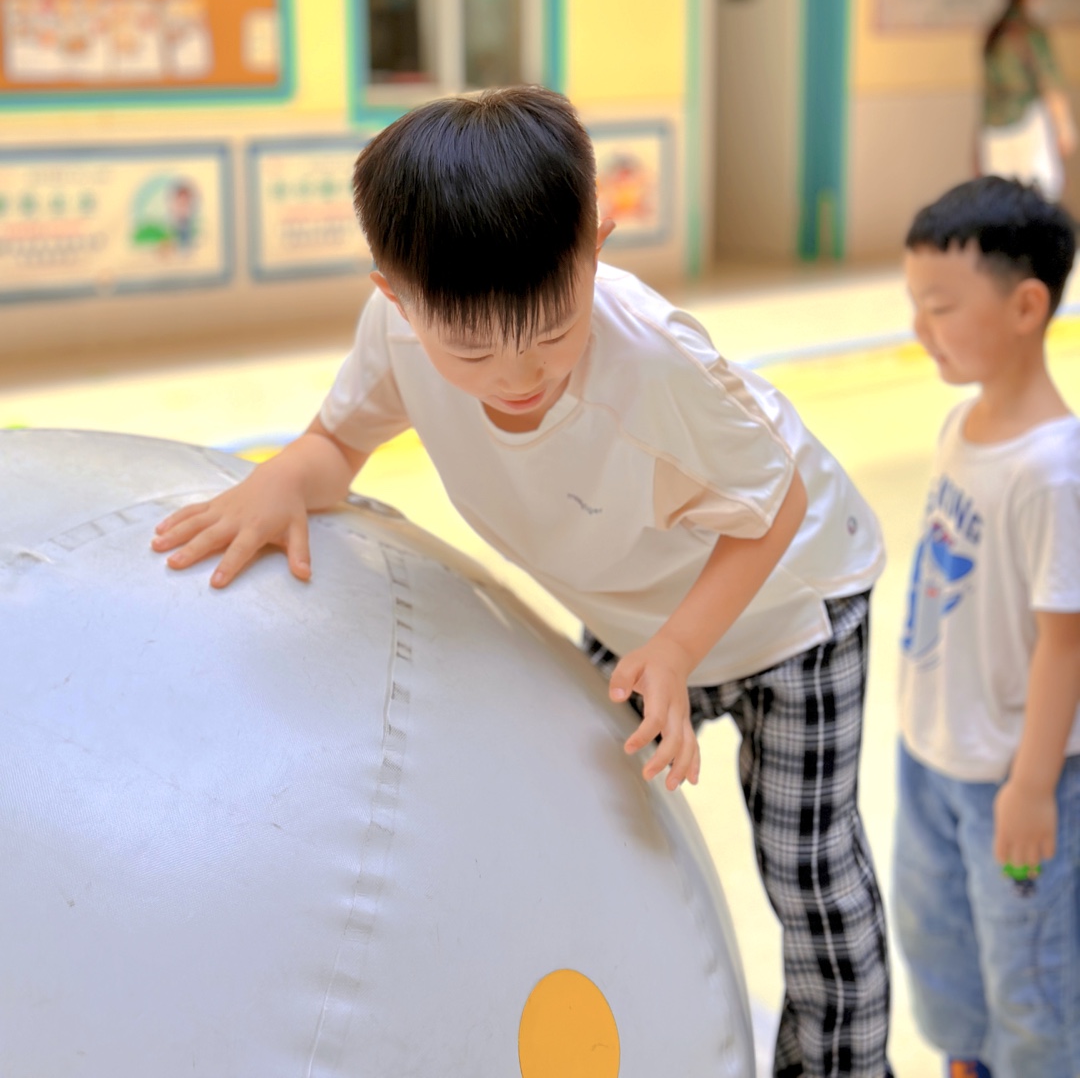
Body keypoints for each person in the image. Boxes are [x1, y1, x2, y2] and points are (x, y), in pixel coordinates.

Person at [152, 86, 893, 1078]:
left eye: (552, 329)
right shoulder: (399, 335)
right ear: (394, 295)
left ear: (596, 246)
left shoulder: (654, 367)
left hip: (793, 606)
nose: (516, 374)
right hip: (636, 608)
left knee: (807, 869)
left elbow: (778, 504)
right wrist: (286, 477)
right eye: (470, 347)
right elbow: (338, 441)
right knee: (582, 825)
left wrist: (678, 650)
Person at [896, 176, 1080, 1078]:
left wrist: (1033, 787)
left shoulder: (1054, 472)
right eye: (915, 306)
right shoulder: (960, 426)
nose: (920, 328)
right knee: (940, 945)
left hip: (1014, 774)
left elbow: (1067, 643)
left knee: (1029, 970)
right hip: (932, 753)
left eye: (940, 308)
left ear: (1026, 306)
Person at [979, 0, 1077, 201]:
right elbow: (1050, 81)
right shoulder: (1030, 32)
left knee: (999, 199)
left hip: (993, 125)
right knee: (1039, 194)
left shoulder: (994, 33)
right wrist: (1064, 127)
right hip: (1026, 120)